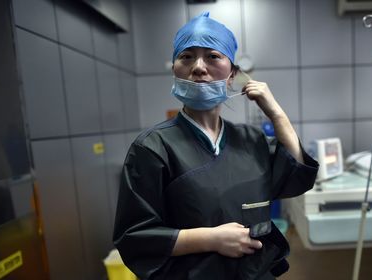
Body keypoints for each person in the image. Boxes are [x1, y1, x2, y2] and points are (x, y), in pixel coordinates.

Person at [113, 12, 319, 280]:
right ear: (175, 70)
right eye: (186, 56)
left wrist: (277, 114)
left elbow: (296, 177)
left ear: (232, 74)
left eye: (212, 56)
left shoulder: (251, 141)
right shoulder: (152, 148)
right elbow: (134, 236)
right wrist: (210, 239)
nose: (199, 66)